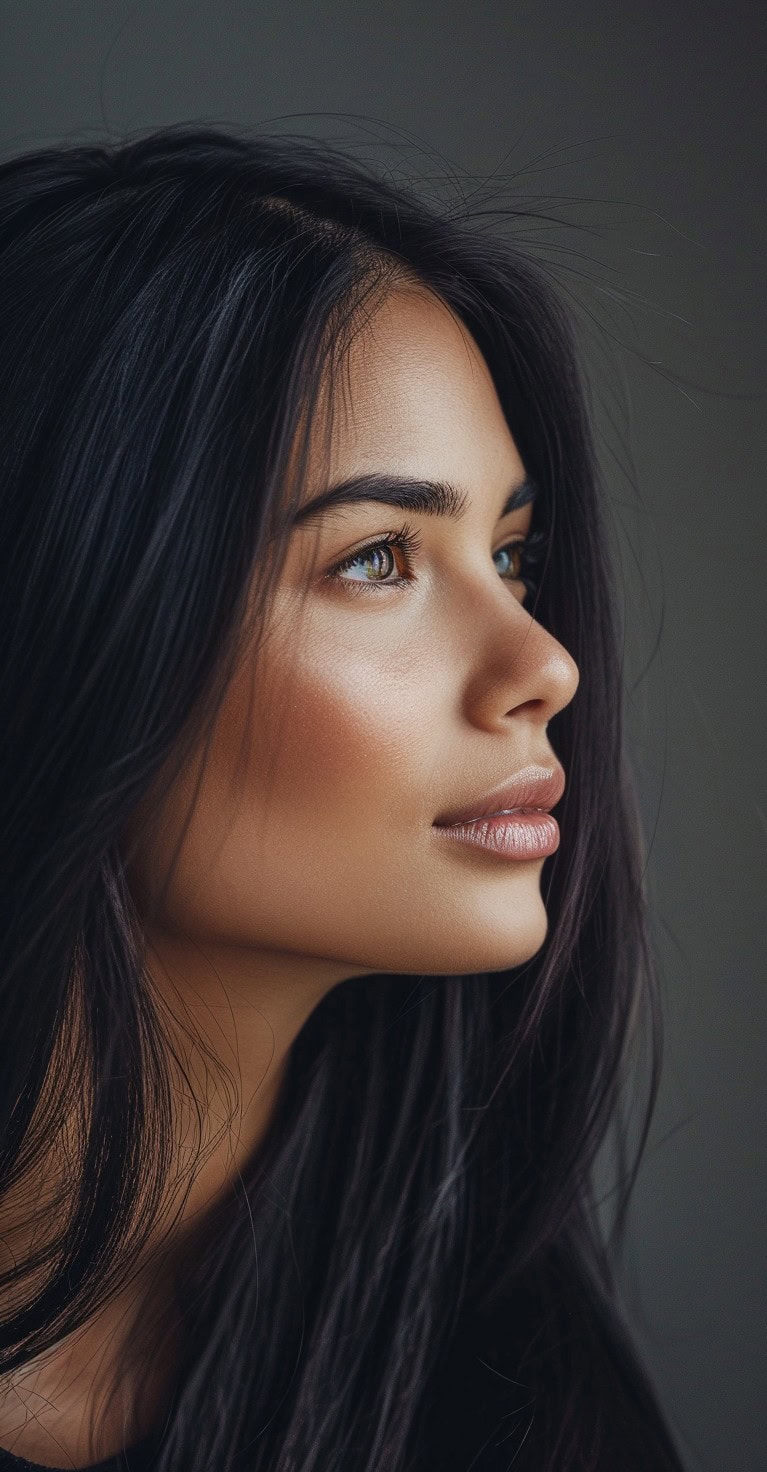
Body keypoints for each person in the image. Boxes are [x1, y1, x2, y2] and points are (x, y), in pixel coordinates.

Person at [0, 123, 686, 1471]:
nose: (545, 665)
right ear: (64, 611)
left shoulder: (517, 1403)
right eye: (379, 558)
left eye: (513, 555)